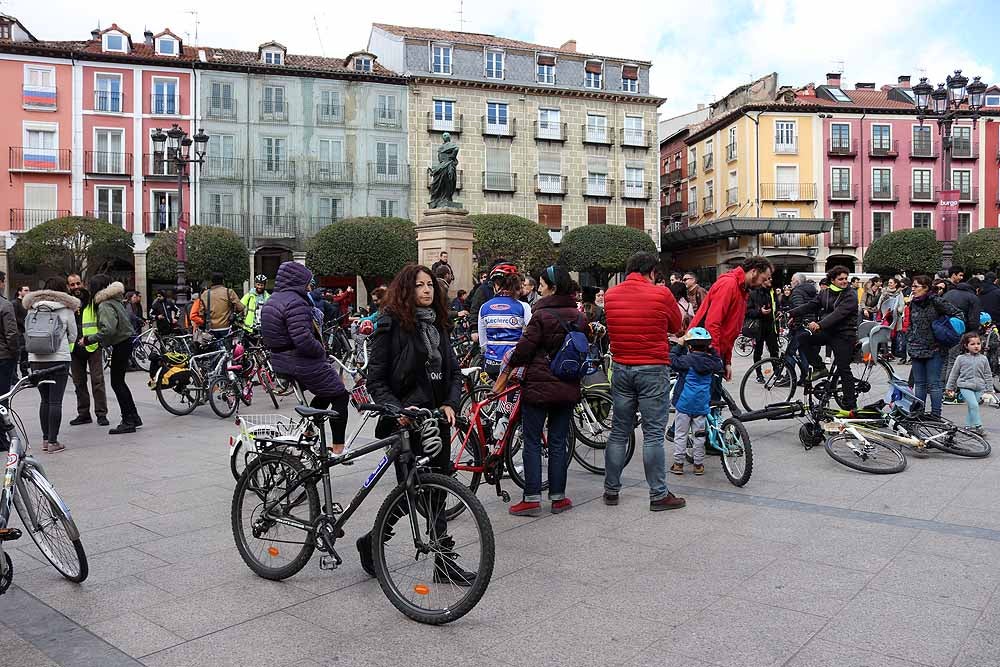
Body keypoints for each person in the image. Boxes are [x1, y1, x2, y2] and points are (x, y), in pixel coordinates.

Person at [361, 263, 471, 584]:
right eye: (420, 285)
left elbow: (452, 373)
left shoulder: (440, 325)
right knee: (412, 492)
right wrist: (397, 410)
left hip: (436, 420)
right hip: (406, 423)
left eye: (430, 286)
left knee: (435, 493)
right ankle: (372, 543)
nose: (426, 290)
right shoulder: (390, 325)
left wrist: (451, 403)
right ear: (406, 289)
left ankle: (443, 564)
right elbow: (376, 380)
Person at [501, 265, 588, 516]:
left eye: (540, 284)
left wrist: (509, 363)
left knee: (532, 441)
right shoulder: (579, 316)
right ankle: (558, 498)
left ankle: (531, 498)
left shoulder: (540, 315)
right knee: (559, 442)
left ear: (552, 287)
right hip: (567, 385)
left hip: (538, 386)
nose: (538, 288)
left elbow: (524, 350)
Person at [603, 251, 685, 511]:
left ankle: (611, 490)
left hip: (621, 368)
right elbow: (676, 326)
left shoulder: (611, 295)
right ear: (651, 272)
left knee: (618, 432)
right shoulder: (661, 294)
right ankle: (658, 495)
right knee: (652, 435)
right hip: (652, 368)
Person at [261, 262, 349, 448]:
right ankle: (339, 448)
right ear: (298, 281)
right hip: (298, 360)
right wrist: (321, 351)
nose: (310, 287)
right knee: (341, 396)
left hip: (281, 360)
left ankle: (308, 430)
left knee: (328, 390)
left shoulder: (273, 299)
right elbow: (303, 339)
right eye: (308, 282)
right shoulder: (296, 302)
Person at [689, 256, 774, 381]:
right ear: (754, 271)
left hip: (711, 351)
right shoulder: (729, 284)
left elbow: (730, 329)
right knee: (706, 397)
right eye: (763, 278)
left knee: (711, 397)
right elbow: (713, 323)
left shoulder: (742, 289)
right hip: (705, 352)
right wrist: (716, 357)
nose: (764, 283)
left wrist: (726, 361)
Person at [788, 266, 860, 407]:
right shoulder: (825, 293)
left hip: (844, 334)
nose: (844, 281)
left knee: (843, 368)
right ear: (832, 280)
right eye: (841, 279)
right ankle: (820, 367)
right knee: (802, 338)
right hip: (829, 332)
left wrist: (820, 324)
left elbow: (838, 314)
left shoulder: (851, 295)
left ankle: (852, 406)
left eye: (846, 278)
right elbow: (811, 305)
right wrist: (791, 313)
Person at [24, 276, 78, 453]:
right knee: (56, 401)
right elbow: (73, 335)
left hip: (36, 359)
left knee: (44, 400)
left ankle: (46, 440)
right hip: (59, 359)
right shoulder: (67, 309)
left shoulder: (32, 308)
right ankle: (54, 442)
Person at [81, 275, 139, 434]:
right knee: (120, 382)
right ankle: (133, 416)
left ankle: (128, 420)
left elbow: (108, 329)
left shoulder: (105, 304)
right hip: (125, 342)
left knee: (117, 383)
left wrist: (88, 340)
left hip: (120, 343)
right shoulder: (115, 300)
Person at [904, 274, 962, 418]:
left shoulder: (936, 301)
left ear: (926, 288)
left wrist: (943, 329)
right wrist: (910, 338)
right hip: (916, 347)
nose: (913, 289)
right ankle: (919, 413)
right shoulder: (913, 303)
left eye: (916, 286)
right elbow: (911, 323)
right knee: (920, 384)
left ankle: (936, 415)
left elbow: (958, 314)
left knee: (934, 384)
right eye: (912, 286)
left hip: (934, 348)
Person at [669, 327, 724, 476]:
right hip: (701, 404)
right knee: (699, 435)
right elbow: (720, 363)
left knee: (681, 434)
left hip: (684, 404)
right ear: (707, 345)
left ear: (690, 346)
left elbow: (672, 360)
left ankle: (678, 464)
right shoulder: (712, 362)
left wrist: (679, 345)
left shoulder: (686, 361)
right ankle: (698, 465)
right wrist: (712, 350)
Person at [66, 274, 109, 427]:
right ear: (68, 287)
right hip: (74, 348)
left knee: (97, 381)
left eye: (78, 283)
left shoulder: (92, 300)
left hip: (92, 345)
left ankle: (101, 414)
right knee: (79, 383)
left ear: (82, 283)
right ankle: (83, 414)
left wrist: (99, 340)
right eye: (72, 285)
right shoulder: (67, 303)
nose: (76, 287)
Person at [477, 264, 531, 379]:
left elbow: (483, 343)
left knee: (496, 393)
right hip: (514, 365)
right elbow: (531, 334)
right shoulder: (523, 307)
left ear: (496, 285)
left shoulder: (484, 308)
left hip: (492, 364)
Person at [942, 265, 982, 399]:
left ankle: (939, 386)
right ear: (976, 289)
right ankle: (949, 391)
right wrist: (974, 334)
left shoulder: (949, 293)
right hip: (960, 331)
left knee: (945, 359)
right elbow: (974, 320)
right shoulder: (972, 298)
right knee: (954, 360)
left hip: (944, 329)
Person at [945, 332, 992, 435]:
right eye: (972, 344)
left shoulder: (984, 359)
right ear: (966, 346)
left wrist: (989, 389)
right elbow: (954, 374)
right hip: (965, 386)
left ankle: (968, 426)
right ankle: (979, 426)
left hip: (979, 387)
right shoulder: (960, 358)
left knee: (972, 407)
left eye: (978, 343)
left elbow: (988, 374)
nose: (976, 346)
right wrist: (949, 387)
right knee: (974, 405)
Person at [776, 272, 816, 387]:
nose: (791, 283)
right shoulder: (811, 291)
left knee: (790, 351)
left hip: (800, 326)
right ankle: (805, 378)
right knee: (803, 352)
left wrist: (793, 318)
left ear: (797, 282)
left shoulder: (798, 291)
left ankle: (789, 378)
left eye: (792, 280)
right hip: (809, 325)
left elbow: (800, 308)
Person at [747, 276, 780, 383]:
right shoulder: (753, 294)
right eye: (767, 279)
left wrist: (778, 312)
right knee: (758, 352)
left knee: (774, 351)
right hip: (758, 327)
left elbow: (777, 307)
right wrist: (760, 312)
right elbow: (747, 312)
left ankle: (777, 372)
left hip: (771, 326)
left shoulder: (772, 292)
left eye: (771, 278)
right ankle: (759, 374)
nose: (770, 280)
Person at [195, 272, 244, 338]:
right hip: (226, 327)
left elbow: (201, 313)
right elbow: (240, 307)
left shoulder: (205, 294)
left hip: (210, 328)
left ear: (211, 281)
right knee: (227, 347)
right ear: (222, 281)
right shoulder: (229, 292)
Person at [877, 277, 906, 360]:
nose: (889, 284)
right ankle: (885, 352)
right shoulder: (884, 292)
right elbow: (880, 303)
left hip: (895, 317)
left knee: (894, 335)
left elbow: (901, 304)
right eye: (889, 282)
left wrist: (897, 311)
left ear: (895, 284)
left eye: (891, 282)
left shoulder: (899, 293)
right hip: (885, 316)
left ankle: (894, 352)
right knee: (884, 333)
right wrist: (882, 309)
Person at [0, 272, 18, 395]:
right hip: (3, 356)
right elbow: (11, 333)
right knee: (2, 395)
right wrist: (15, 352)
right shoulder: (5, 305)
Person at [14, 285, 29, 378]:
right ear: (20, 292)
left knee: (25, 354)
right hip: (19, 333)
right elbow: (14, 319)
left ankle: (25, 375)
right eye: (26, 290)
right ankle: (14, 377)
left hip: (26, 333)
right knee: (18, 354)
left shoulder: (26, 304)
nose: (28, 292)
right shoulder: (15, 303)